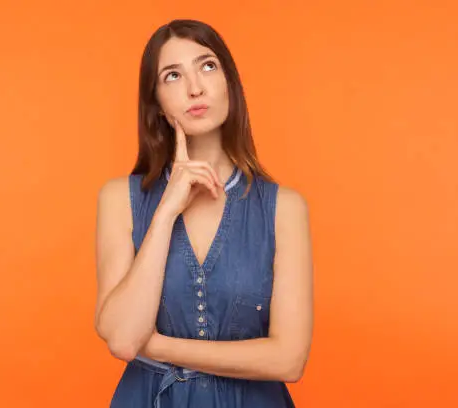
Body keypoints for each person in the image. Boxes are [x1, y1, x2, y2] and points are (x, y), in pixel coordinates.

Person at [94, 18, 313, 408]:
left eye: (207, 66)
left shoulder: (284, 208)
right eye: (173, 75)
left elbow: (289, 359)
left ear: (230, 82)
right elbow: (125, 338)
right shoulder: (119, 199)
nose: (195, 87)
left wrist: (159, 345)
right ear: (156, 103)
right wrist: (166, 211)